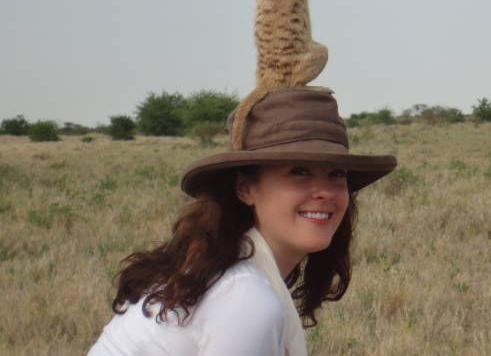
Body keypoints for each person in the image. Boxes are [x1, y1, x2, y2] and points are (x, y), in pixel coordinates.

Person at [88, 88, 397, 356]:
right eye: (299, 171)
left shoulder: (219, 269)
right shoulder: (244, 296)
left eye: (336, 174)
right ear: (245, 188)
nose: (325, 192)